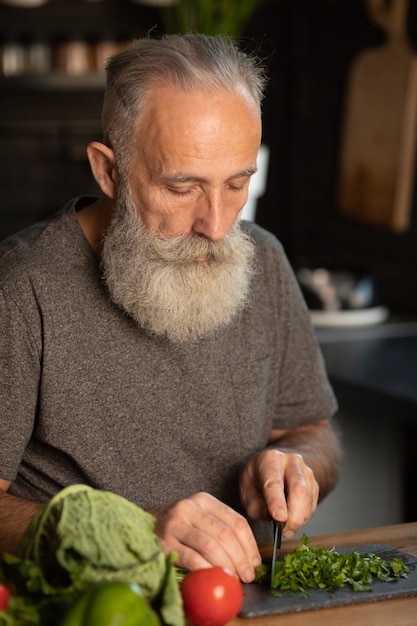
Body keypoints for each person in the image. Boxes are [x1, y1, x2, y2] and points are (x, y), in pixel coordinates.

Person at [0, 33, 341, 583]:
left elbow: (312, 431)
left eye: (237, 184)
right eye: (182, 188)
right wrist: (131, 530)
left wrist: (295, 469)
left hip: (245, 598)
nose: (217, 224)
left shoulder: (265, 262)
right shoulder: (20, 287)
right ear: (107, 171)